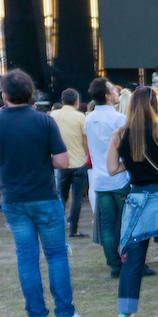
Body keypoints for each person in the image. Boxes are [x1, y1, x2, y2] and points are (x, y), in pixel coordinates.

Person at [0, 69, 88, 317]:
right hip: (45, 197)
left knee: (26, 258)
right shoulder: (44, 121)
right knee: (56, 254)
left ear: (5, 95)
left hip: (14, 199)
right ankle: (64, 315)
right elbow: (62, 161)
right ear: (31, 95)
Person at [106, 87, 158, 317]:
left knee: (133, 260)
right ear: (154, 105)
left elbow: (112, 168)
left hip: (137, 200)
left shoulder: (120, 134)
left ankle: (125, 314)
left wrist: (131, 164)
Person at [84, 77, 129, 277]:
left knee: (108, 225)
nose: (117, 92)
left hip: (100, 180)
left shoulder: (89, 119)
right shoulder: (119, 119)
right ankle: (131, 260)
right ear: (107, 96)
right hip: (120, 177)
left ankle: (114, 264)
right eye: (113, 89)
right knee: (128, 222)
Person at [53, 88, 89, 237]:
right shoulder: (81, 117)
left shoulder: (53, 115)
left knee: (61, 196)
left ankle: (59, 227)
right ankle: (74, 229)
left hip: (62, 163)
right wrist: (86, 156)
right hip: (80, 162)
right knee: (77, 198)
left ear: (62, 101)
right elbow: (85, 140)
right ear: (77, 101)